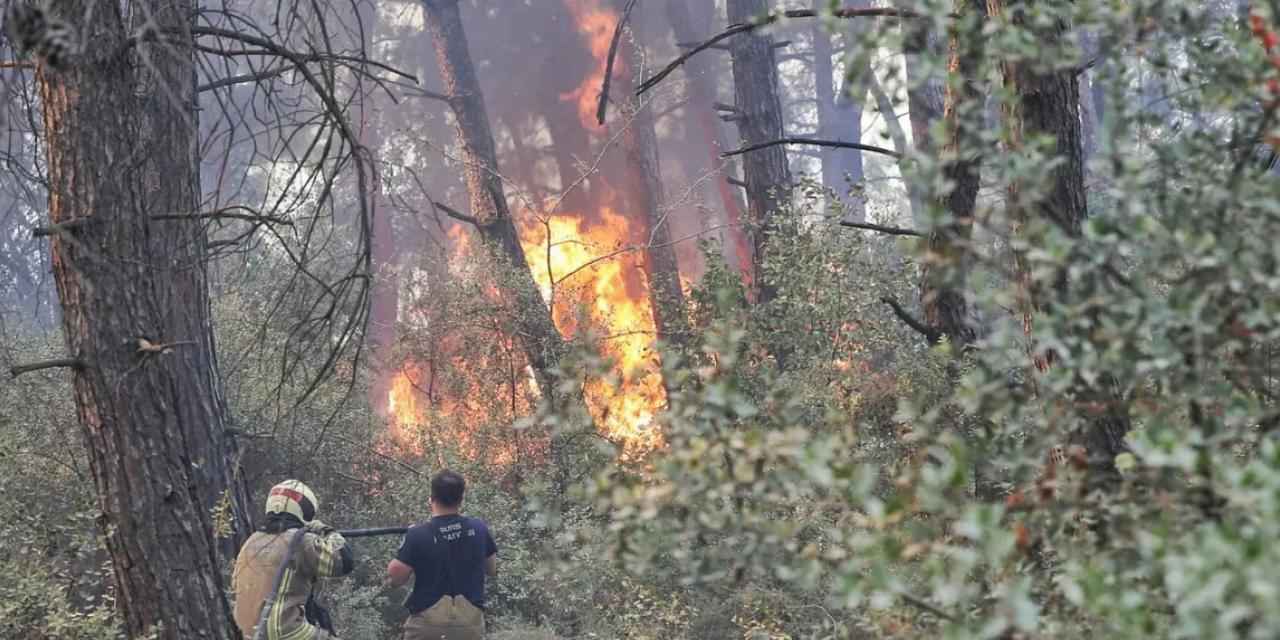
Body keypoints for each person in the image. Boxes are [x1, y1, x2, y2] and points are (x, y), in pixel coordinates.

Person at [232, 480, 355, 640]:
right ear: (304, 511)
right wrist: (324, 529)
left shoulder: (251, 541)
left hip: (246, 633)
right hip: (283, 632)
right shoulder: (302, 541)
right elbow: (344, 562)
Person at [387, 470, 498, 640]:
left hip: (427, 627)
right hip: (470, 625)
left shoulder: (418, 534)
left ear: (431, 498)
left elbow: (395, 578)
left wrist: (410, 539)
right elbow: (491, 569)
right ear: (461, 499)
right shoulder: (479, 528)